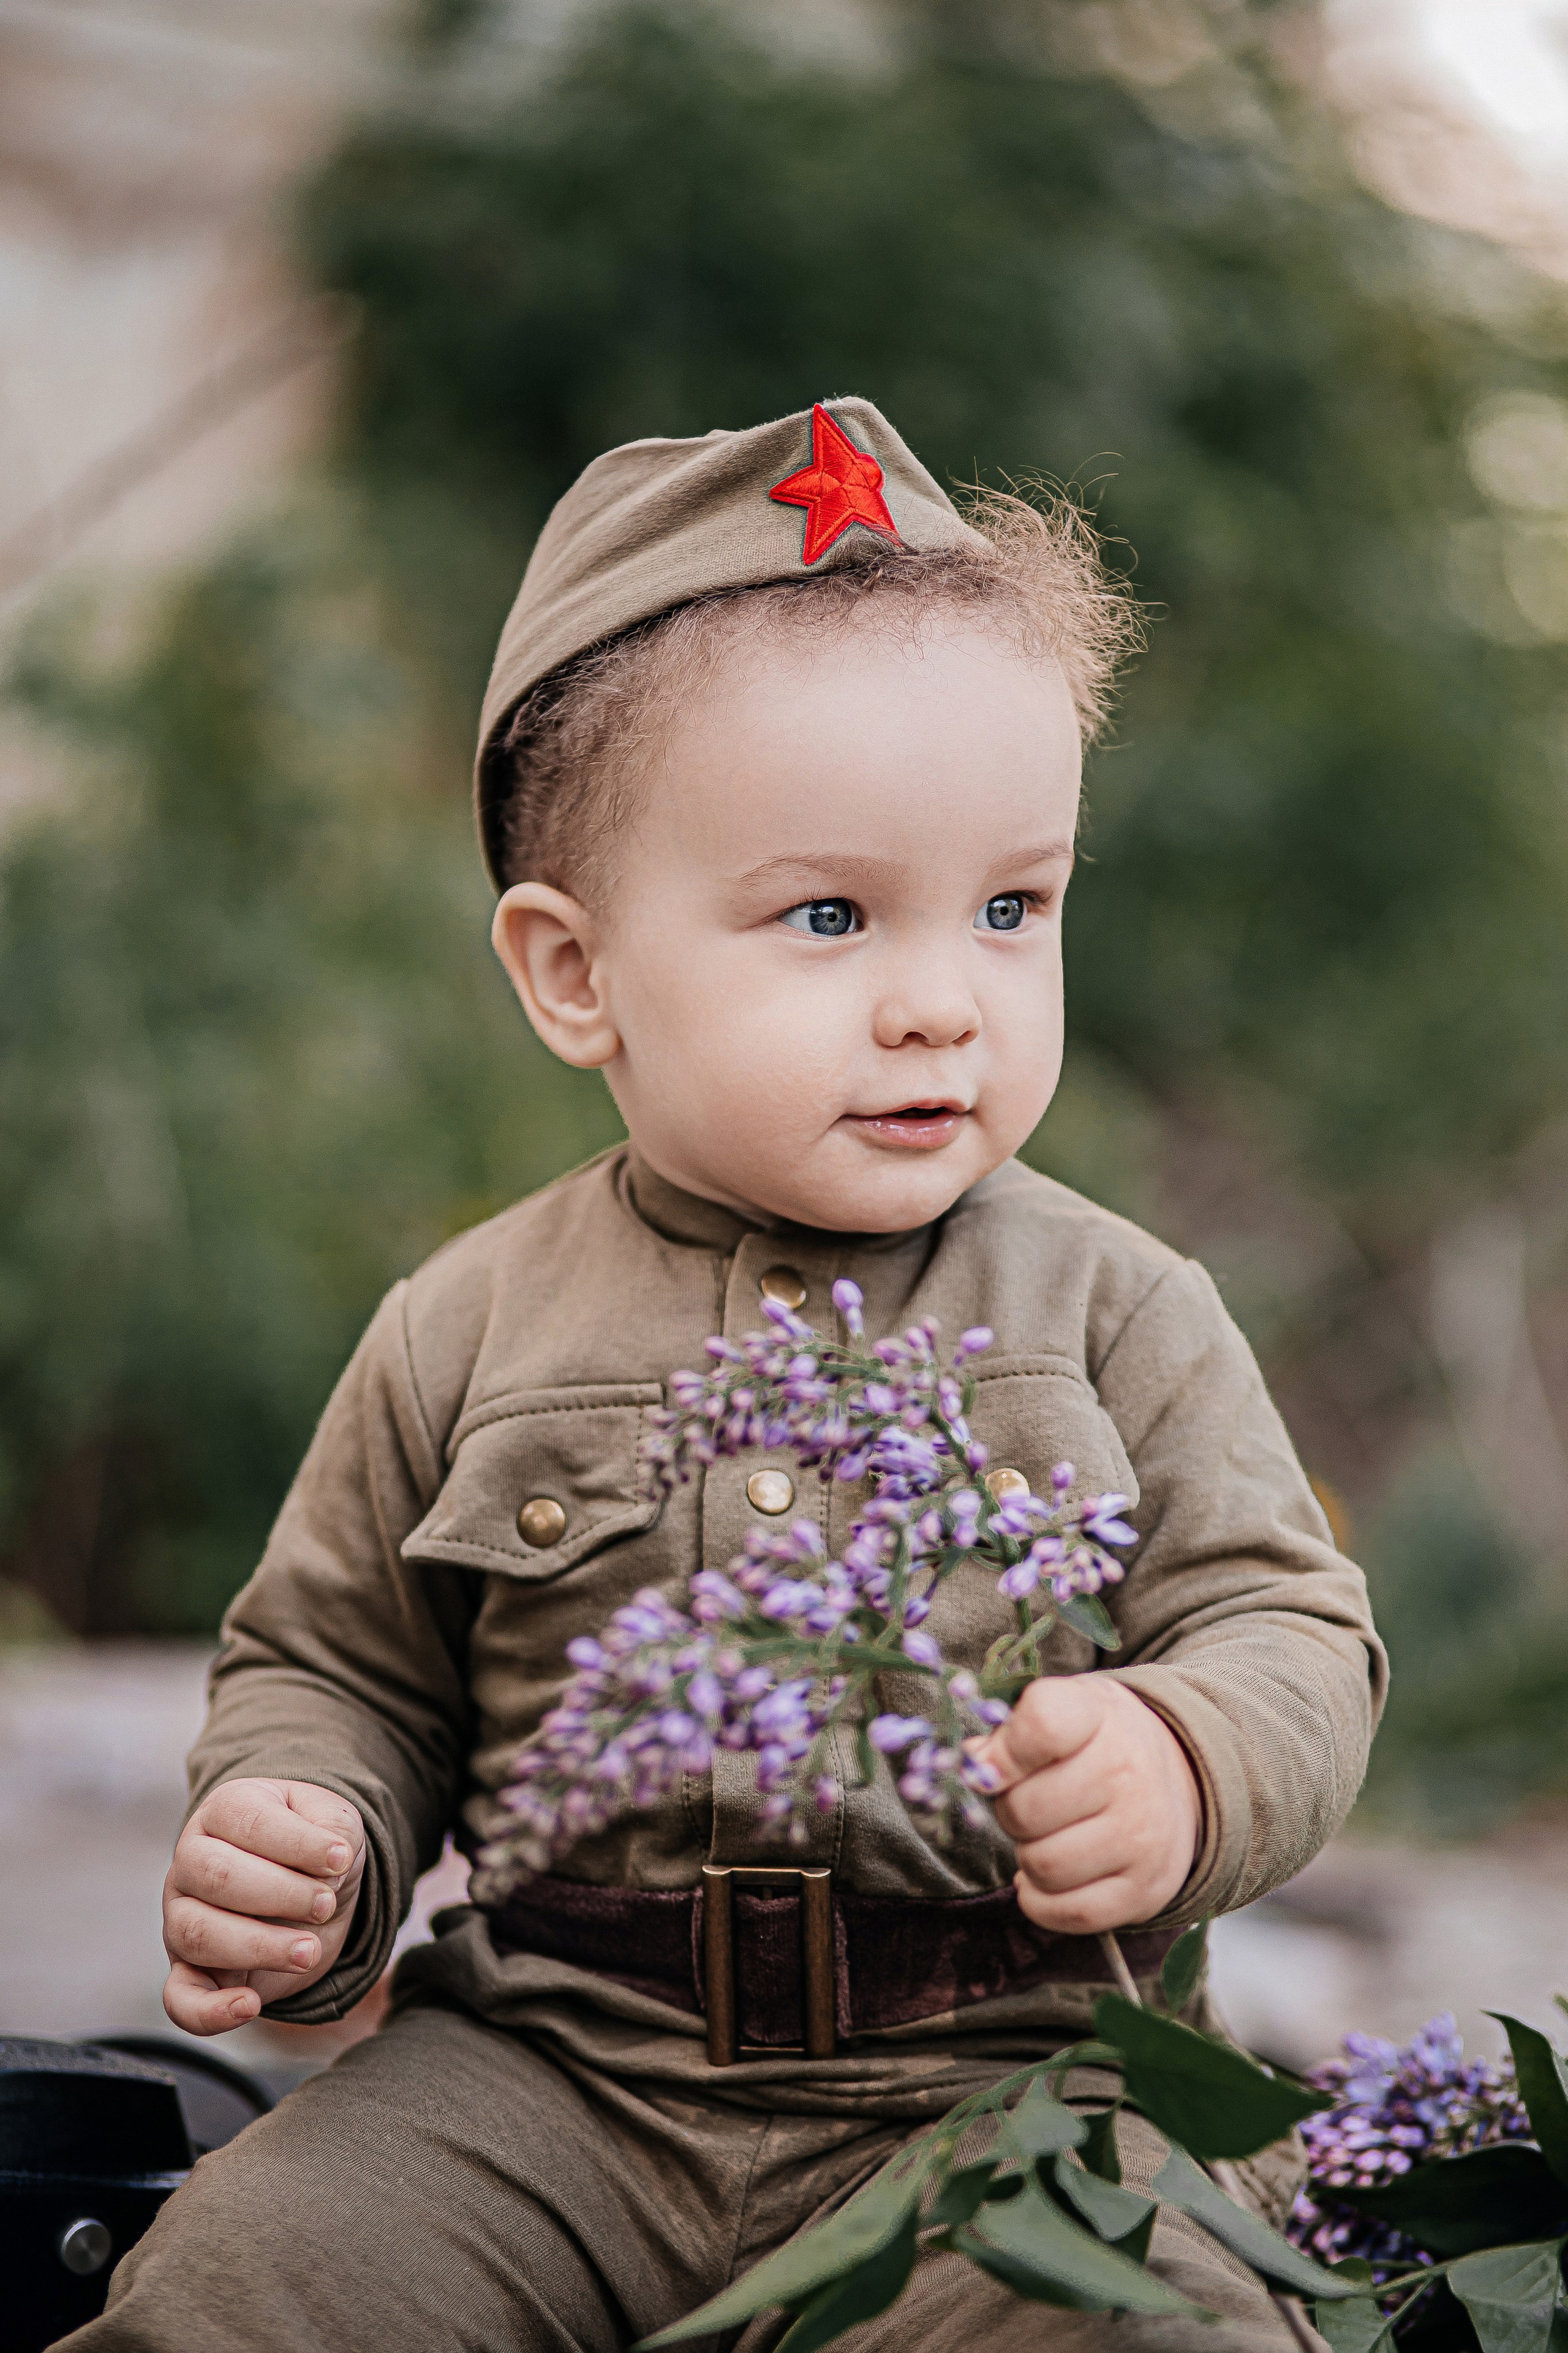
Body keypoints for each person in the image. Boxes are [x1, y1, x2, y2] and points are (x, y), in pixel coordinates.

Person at [65, 399, 1385, 2351]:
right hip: (557, 2080)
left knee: (1141, 2318)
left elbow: (1290, 1623)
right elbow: (339, 1667)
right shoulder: (473, 1318)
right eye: (834, 914)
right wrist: (308, 1838)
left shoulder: (1119, 1304)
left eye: (1014, 905)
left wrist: (1190, 1757)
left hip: (1014, 2090)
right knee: (255, 2283)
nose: (946, 993)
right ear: (573, 971)